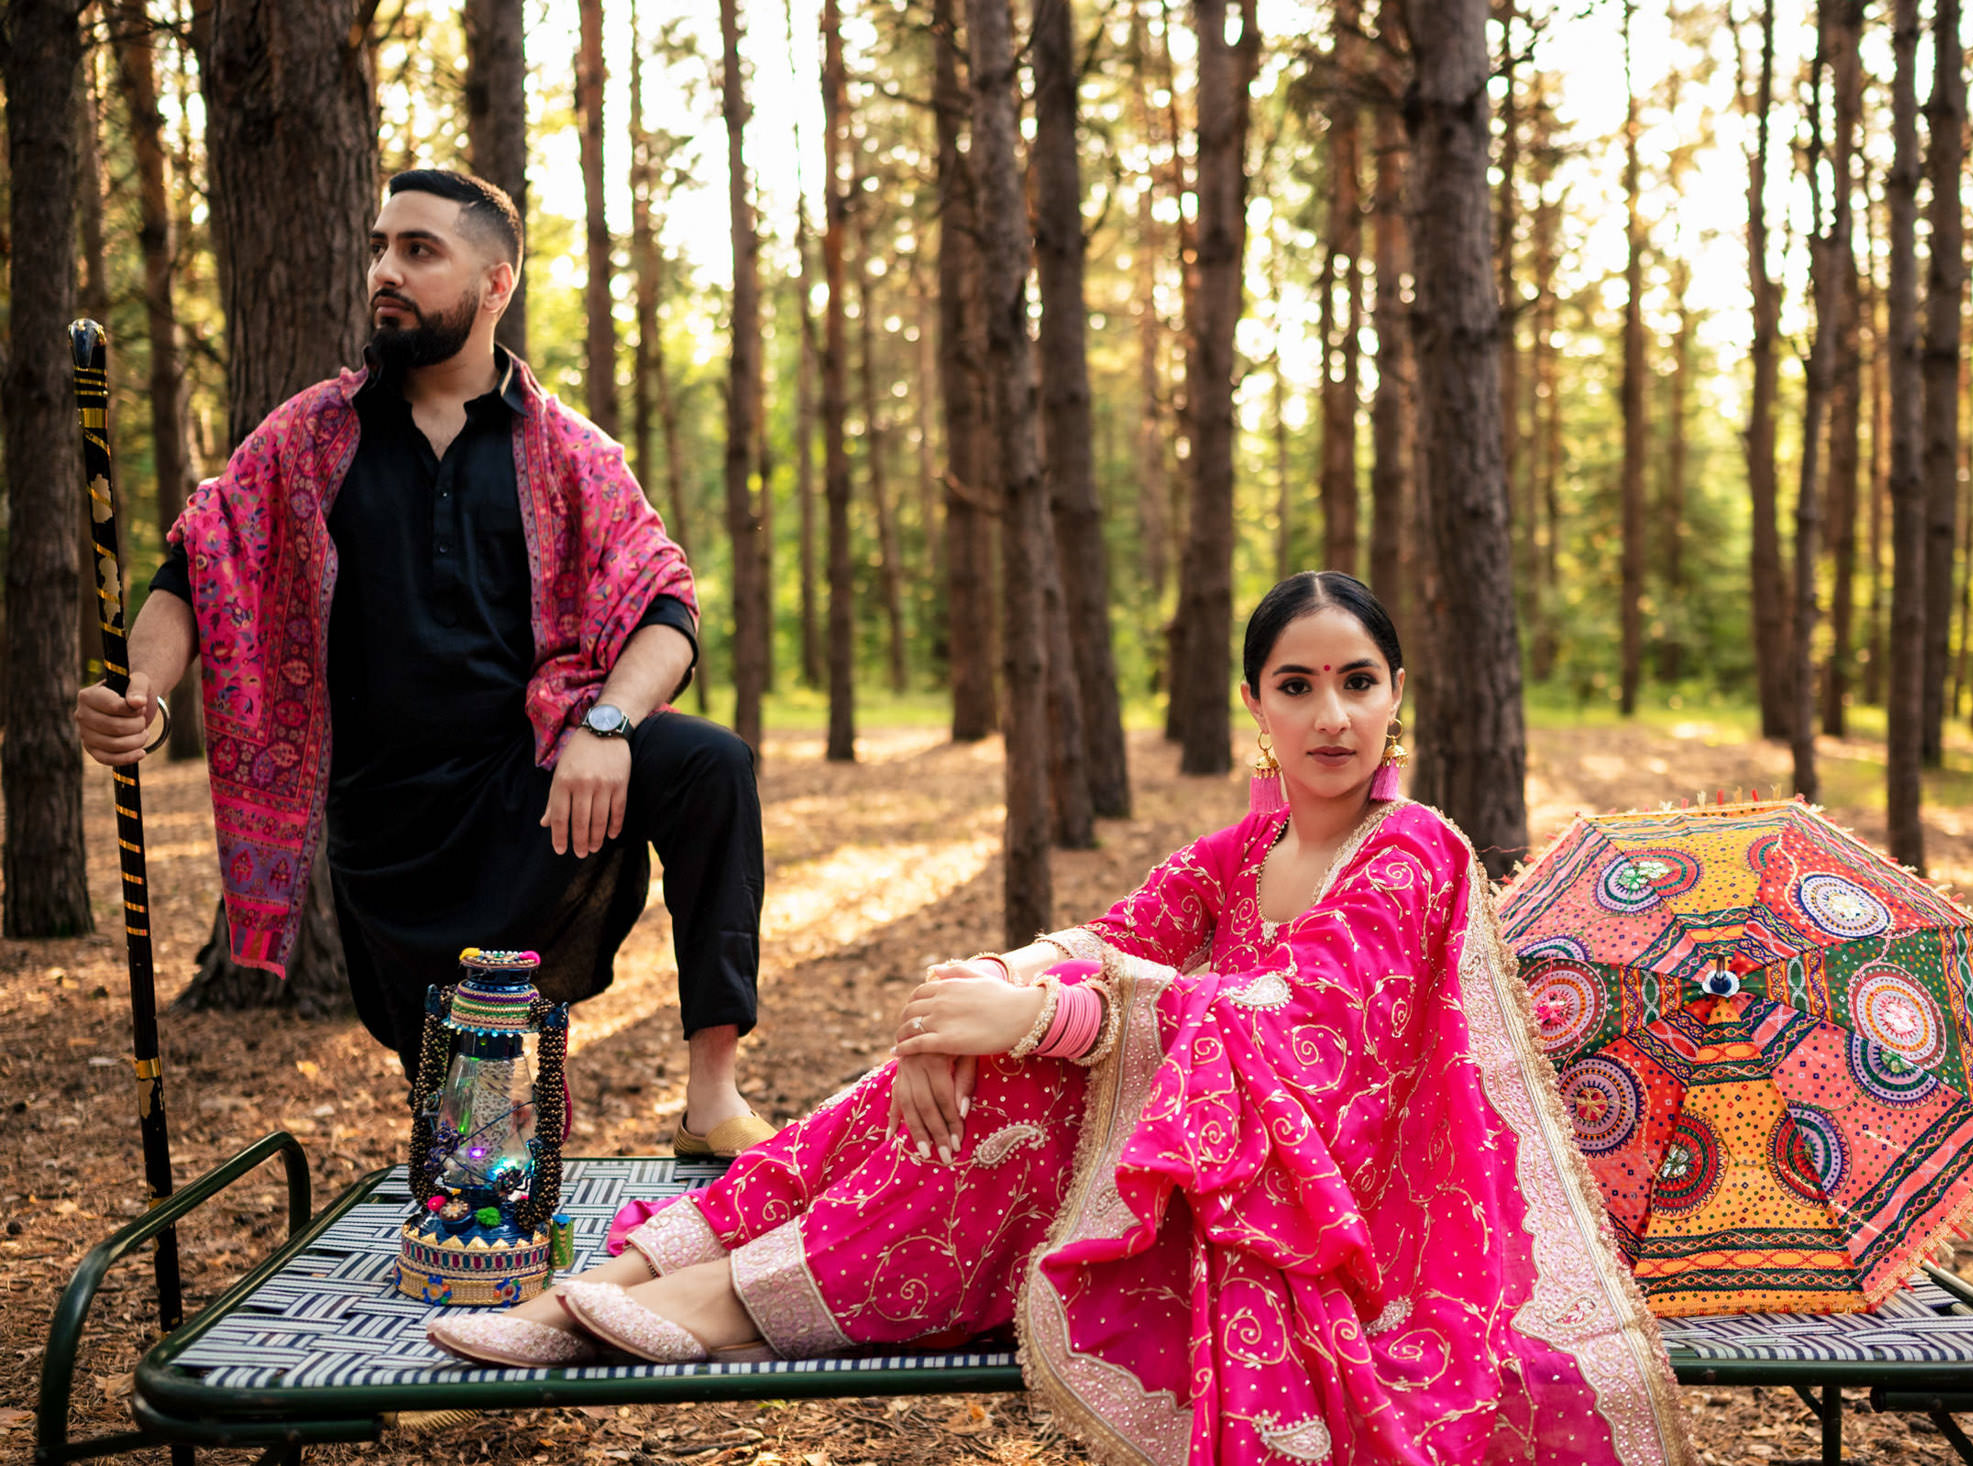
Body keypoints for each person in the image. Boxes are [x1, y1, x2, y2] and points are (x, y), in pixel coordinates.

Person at [428, 572, 1693, 1466]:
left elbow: (1303, 1033)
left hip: (1317, 1200)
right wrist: (974, 995)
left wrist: (1038, 1021)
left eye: (1357, 682)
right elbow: (1115, 932)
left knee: (1026, 1085)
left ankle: (728, 1301)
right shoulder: (1248, 846)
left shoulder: (1409, 847)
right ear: (1255, 702)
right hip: (1215, 1142)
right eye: (1296, 685)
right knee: (967, 1065)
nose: (1331, 715)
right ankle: (637, 1272)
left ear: (1395, 693)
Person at [73, 169, 774, 1159]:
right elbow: (199, 565)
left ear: (495, 283)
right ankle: (510, 1108)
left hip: (538, 794)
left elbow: (666, 604)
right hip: (396, 836)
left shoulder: (566, 450)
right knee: (484, 1158)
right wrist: (141, 689)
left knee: (710, 763)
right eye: (379, 247)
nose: (384, 273)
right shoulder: (312, 437)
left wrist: (608, 726)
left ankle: (713, 1098)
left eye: (418, 250)